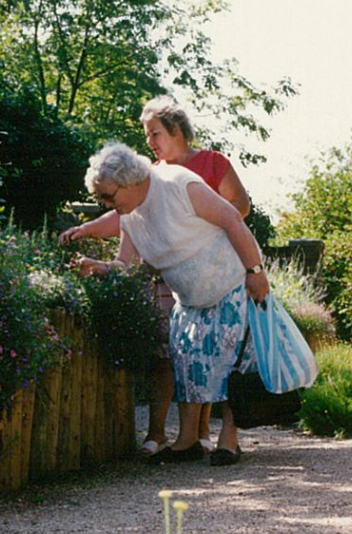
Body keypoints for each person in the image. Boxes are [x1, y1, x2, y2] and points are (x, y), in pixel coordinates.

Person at [61, 98, 252, 458]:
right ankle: (188, 439)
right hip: (182, 285)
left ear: (176, 130)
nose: (149, 141)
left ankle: (225, 438)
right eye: (146, 134)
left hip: (223, 274)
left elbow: (236, 212)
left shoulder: (197, 170)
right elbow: (125, 236)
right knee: (186, 358)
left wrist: (199, 231)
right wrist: (94, 246)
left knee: (227, 358)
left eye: (155, 133)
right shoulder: (142, 188)